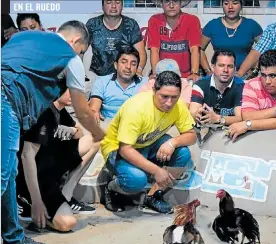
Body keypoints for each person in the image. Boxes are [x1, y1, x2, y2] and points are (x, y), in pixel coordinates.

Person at [1, 21, 105, 244]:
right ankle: (14, 238)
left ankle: (13, 240)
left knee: (5, 174)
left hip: (8, 100)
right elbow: (82, 111)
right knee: (2, 176)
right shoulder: (69, 56)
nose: (79, 57)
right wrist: (98, 133)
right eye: (81, 51)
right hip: (5, 98)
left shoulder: (21, 38)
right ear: (75, 42)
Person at [100, 71, 197, 213]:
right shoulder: (136, 108)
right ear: (154, 90)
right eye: (164, 97)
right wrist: (157, 170)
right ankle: (111, 188)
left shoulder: (178, 106)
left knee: (183, 153)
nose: (169, 103)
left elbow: (192, 136)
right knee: (137, 180)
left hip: (148, 143)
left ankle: (153, 196)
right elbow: (125, 149)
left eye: (174, 97)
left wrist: (172, 143)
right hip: (117, 150)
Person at [16, 90, 99, 231]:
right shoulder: (43, 111)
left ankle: (66, 195)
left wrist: (72, 130)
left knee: (95, 140)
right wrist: (37, 201)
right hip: (38, 176)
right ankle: (28, 203)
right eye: (71, 90)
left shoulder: (60, 110)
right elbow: (26, 156)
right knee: (67, 223)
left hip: (53, 163)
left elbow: (80, 133)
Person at [86, 0, 146, 77]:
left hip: (124, 75)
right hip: (96, 75)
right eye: (109, 2)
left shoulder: (131, 24)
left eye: (117, 2)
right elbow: (81, 50)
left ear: (122, 6)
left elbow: (141, 52)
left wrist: (139, 70)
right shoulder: (92, 24)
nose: (113, 6)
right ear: (102, 6)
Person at [200, 0, 262, 74]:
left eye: (235, 3)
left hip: (245, 75)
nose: (230, 7)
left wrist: (255, 70)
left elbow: (264, 49)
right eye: (226, 3)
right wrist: (208, 71)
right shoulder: (212, 25)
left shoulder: (252, 25)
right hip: (219, 74)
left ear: (241, 5)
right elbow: (199, 49)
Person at [147, 0, 201, 81]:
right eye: (167, 1)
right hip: (162, 75)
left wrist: (194, 73)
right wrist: (155, 73)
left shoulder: (192, 20)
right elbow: (154, 50)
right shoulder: (154, 20)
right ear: (161, 3)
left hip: (186, 76)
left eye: (175, 1)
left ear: (181, 3)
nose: (171, 6)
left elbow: (194, 49)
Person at [89, 47, 147, 123]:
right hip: (107, 123)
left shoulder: (145, 83)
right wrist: (94, 112)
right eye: (124, 62)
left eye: (133, 64)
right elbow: (94, 108)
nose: (128, 67)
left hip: (135, 125)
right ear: (116, 65)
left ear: (136, 68)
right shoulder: (102, 81)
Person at [190, 50, 244, 126]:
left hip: (232, 130)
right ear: (212, 67)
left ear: (235, 69)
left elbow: (241, 118)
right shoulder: (200, 85)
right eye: (221, 65)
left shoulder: (241, 86)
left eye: (230, 66)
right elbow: (193, 113)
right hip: (205, 128)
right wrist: (198, 116)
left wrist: (218, 118)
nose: (225, 70)